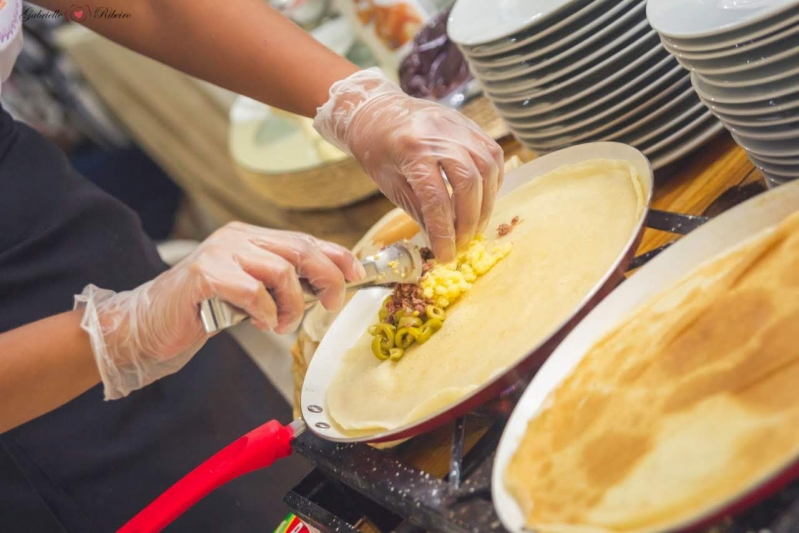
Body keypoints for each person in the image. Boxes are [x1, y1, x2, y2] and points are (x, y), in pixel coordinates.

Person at [0, 0, 503, 530]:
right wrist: (120, 335)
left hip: (41, 212)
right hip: (29, 410)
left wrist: (357, 104)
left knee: (275, 488)